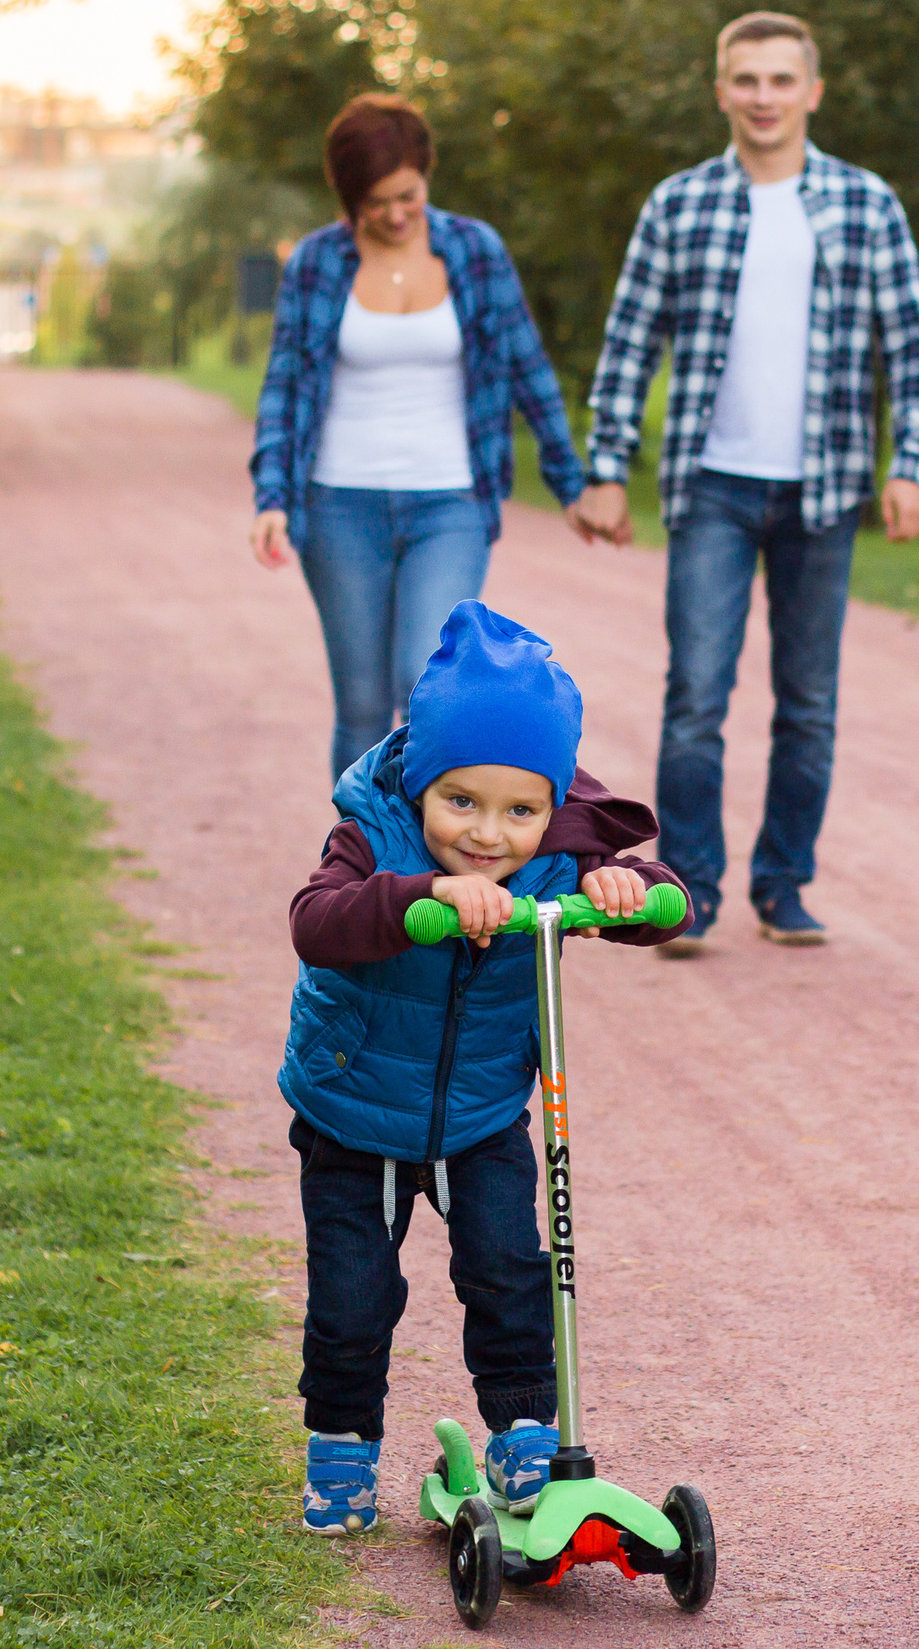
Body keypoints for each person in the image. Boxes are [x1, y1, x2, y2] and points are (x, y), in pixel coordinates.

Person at [279, 602, 688, 1534]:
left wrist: (626, 889)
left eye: (520, 811)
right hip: (353, 1112)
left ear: (552, 804)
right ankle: (342, 1442)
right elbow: (316, 921)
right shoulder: (372, 837)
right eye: (460, 802)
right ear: (420, 782)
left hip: (483, 1113)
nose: (489, 835)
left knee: (509, 1270)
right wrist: (419, 895)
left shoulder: (558, 858)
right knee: (353, 1297)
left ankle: (524, 1432)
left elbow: (670, 904)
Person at [572, 11, 919, 955]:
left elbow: (909, 345)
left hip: (825, 489)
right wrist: (606, 466)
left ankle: (784, 885)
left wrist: (912, 463)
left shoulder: (866, 204)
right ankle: (689, 892)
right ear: (721, 90)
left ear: (812, 91)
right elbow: (628, 345)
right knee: (696, 693)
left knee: (807, 701)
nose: (764, 97)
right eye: (747, 79)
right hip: (713, 488)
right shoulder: (678, 204)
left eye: (781, 80)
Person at [249, 93, 588, 779]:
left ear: (427, 175)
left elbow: (527, 366)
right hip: (339, 505)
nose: (396, 214)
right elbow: (284, 384)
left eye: (408, 195)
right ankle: (361, 850)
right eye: (375, 203)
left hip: (450, 503)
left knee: (423, 685)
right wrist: (272, 497)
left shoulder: (474, 250)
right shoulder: (317, 262)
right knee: (361, 707)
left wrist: (571, 483)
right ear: (349, 198)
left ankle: (423, 845)